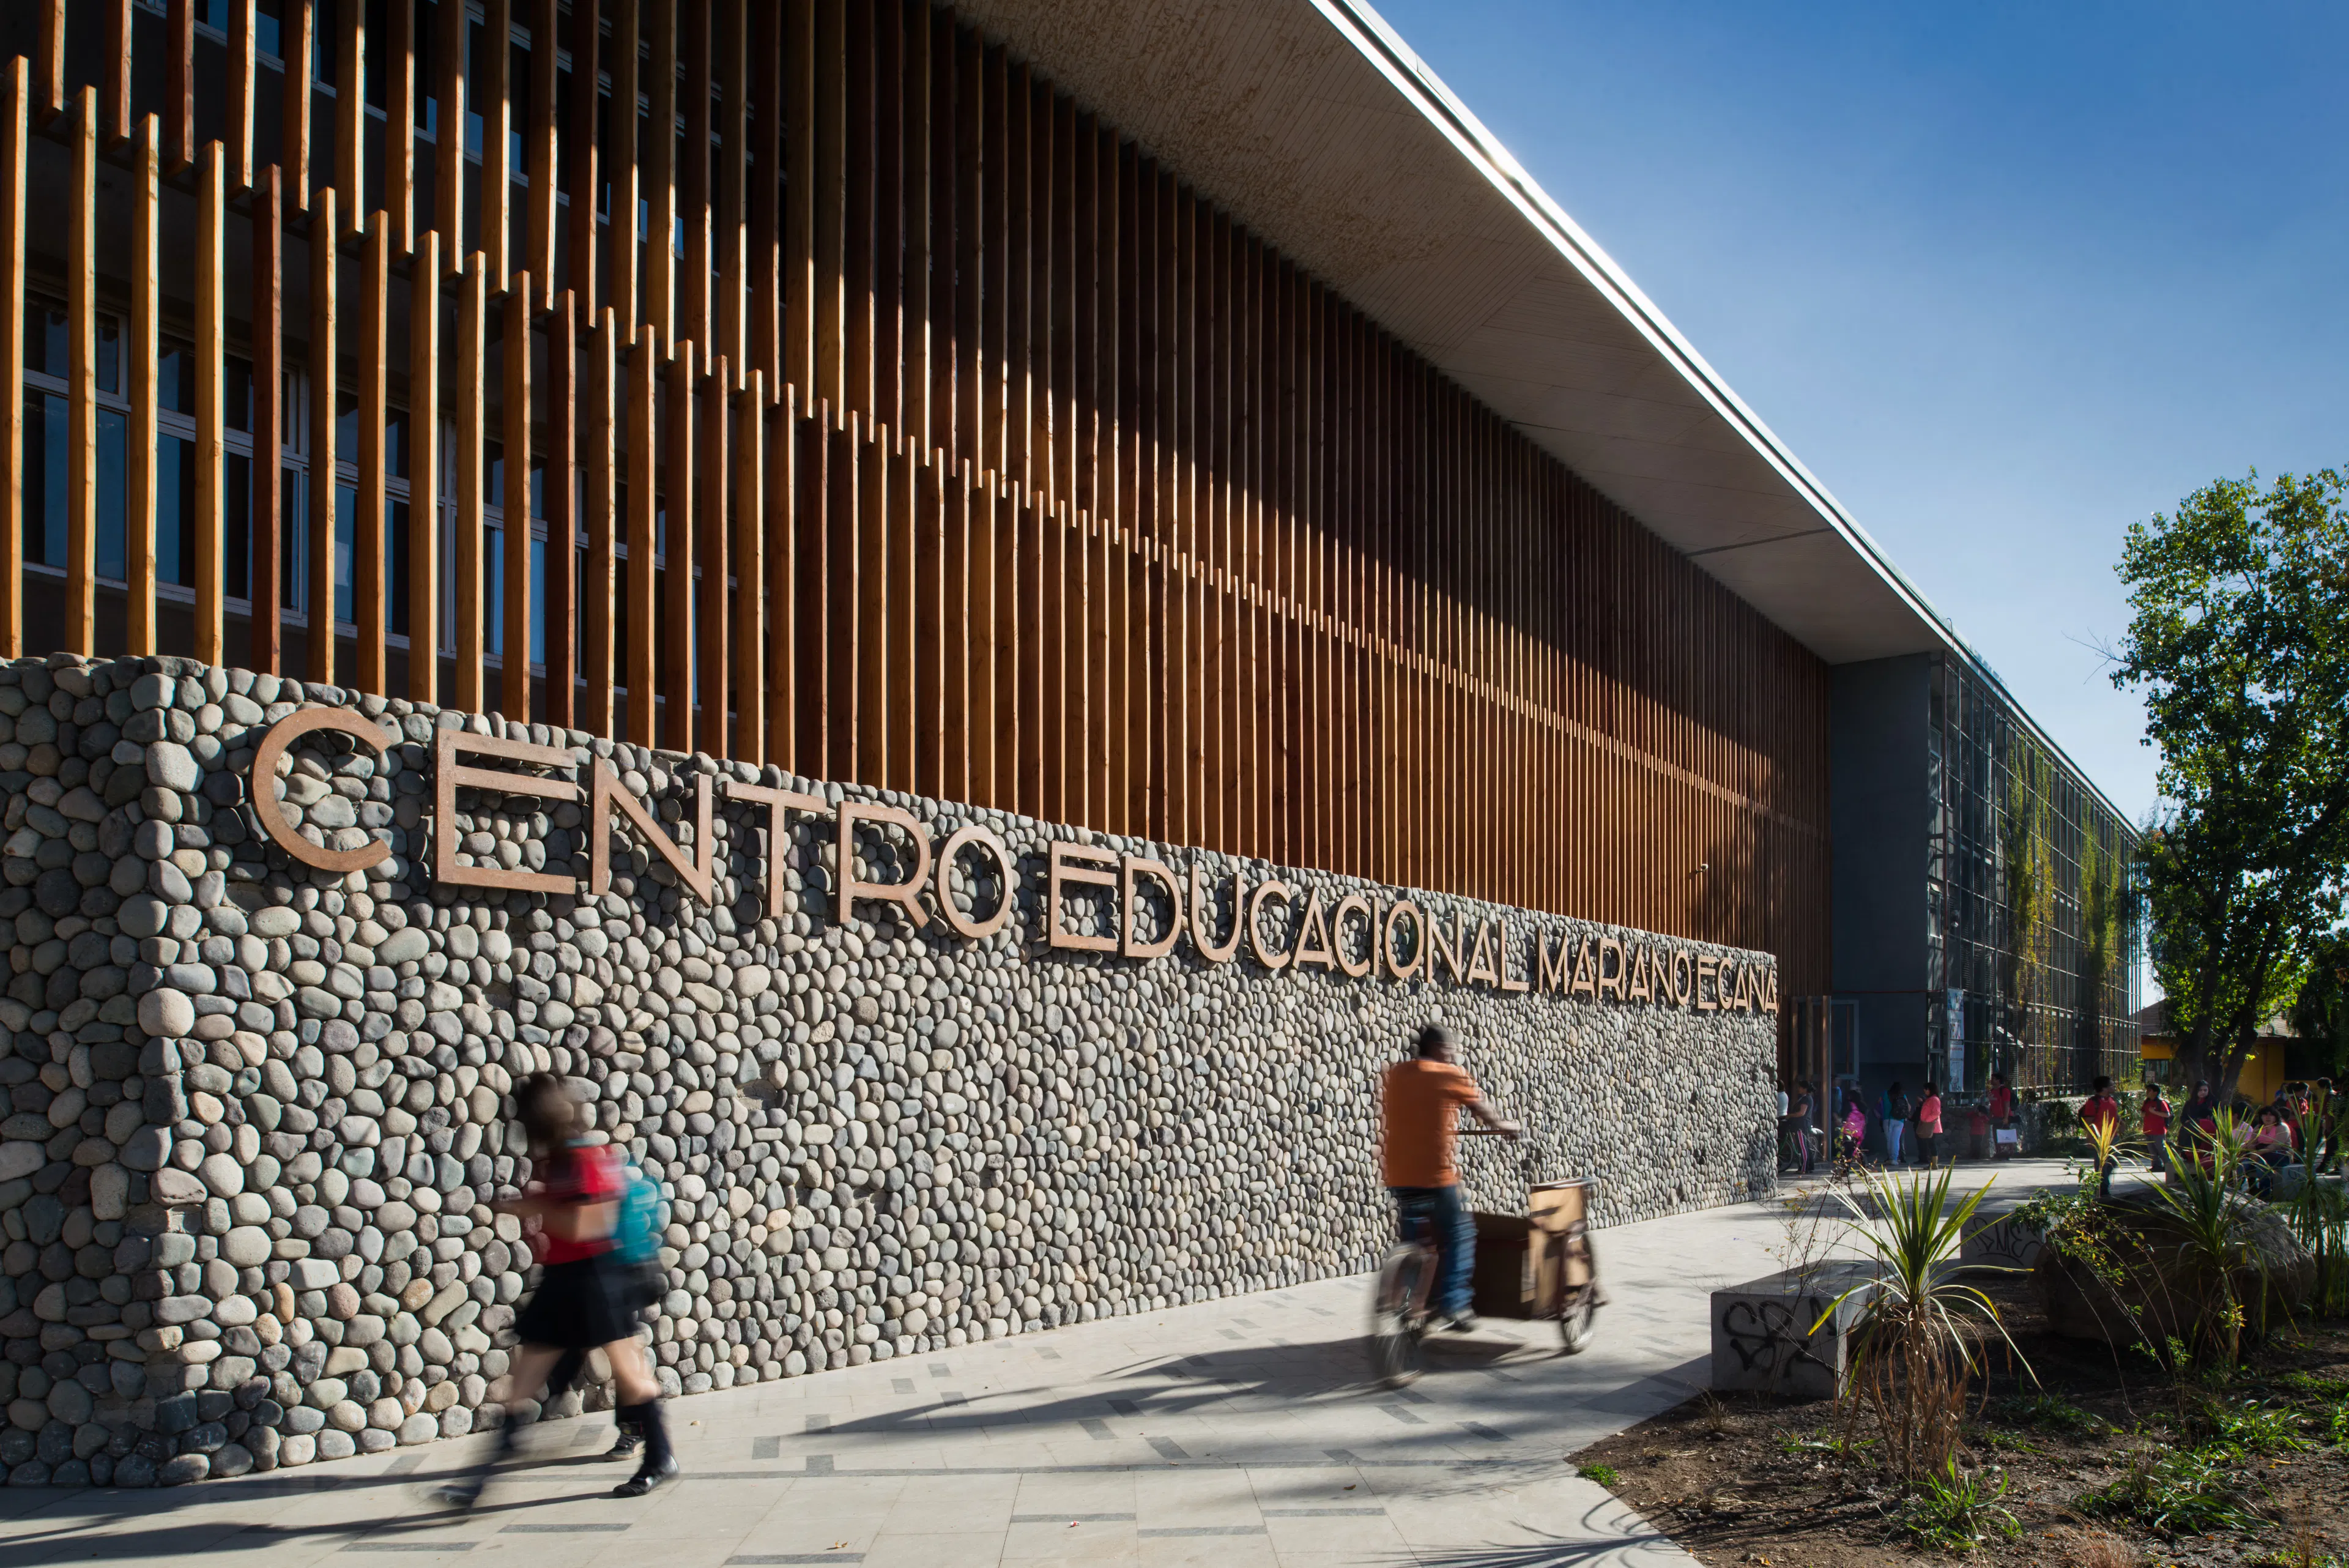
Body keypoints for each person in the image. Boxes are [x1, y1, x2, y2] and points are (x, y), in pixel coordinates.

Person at [439, 1074, 678, 1506]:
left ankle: (659, 1458)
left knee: (631, 1375)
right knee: (521, 1386)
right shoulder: (560, 1160)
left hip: (598, 1279)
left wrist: (531, 1207)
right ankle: (478, 1483)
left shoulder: (582, 1158)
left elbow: (590, 1225)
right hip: (566, 1280)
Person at [1381, 1024, 1521, 1333]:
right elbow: (1482, 1110)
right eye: (1451, 1050)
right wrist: (1504, 1125)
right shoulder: (1447, 1074)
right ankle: (1454, 1302)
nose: (1453, 1055)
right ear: (1441, 1049)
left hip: (1399, 1175)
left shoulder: (1396, 1075)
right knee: (1460, 1230)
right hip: (1435, 1177)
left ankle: (1402, 1297)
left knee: (1414, 1238)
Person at [2080, 1076, 2122, 1198]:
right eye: (2111, 1085)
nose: (2114, 1087)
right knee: (2101, 1164)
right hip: (2100, 1138)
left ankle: (2102, 1186)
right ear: (2104, 1088)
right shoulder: (2093, 1102)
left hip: (2114, 1137)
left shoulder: (2112, 1100)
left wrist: (2121, 1124)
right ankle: (2102, 1189)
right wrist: (2090, 1138)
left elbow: (2115, 1115)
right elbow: (2088, 1121)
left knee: (2114, 1162)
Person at [2142, 1085, 2172, 1175]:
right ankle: (2156, 1166)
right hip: (2148, 1130)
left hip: (2159, 1130)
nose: (2147, 1092)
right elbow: (2143, 1112)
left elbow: (2167, 1115)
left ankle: (2169, 1165)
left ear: (2155, 1092)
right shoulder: (2146, 1102)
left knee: (2161, 1148)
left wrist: (2154, 1112)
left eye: (2149, 1090)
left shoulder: (2161, 1102)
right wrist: (2143, 1113)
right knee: (2152, 1149)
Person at [1787, 1080, 1816, 1175]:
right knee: (1805, 1146)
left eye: (1800, 1087)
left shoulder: (1806, 1099)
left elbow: (1801, 1113)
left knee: (1803, 1146)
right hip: (1803, 1125)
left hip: (1801, 1126)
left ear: (1805, 1089)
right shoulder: (1806, 1098)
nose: (1798, 1089)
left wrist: (1790, 1116)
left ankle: (1804, 1167)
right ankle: (1807, 1166)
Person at [1987, 1073, 2016, 1162]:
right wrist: (1990, 1116)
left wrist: (2006, 1118)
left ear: (1998, 1080)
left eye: (1994, 1079)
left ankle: (2009, 1152)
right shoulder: (1992, 1091)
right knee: (1996, 1136)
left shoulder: (2004, 1091)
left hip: (2004, 1117)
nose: (1992, 1081)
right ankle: (1999, 1152)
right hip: (1996, 1117)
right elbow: (1992, 1105)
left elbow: (2007, 1104)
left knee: (2006, 1136)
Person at [1882, 1081, 1911, 1167]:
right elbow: (1909, 1107)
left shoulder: (1886, 1094)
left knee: (1889, 1140)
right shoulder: (1903, 1096)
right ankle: (1895, 1159)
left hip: (1888, 1119)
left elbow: (1879, 1104)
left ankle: (1891, 1158)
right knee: (1896, 1140)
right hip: (1900, 1120)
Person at [1916, 1083, 1943, 1168]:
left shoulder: (1934, 1099)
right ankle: (1932, 1163)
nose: (1925, 1091)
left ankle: (1934, 1164)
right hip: (1929, 1125)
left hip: (1932, 1126)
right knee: (1930, 1144)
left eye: (1926, 1089)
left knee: (1932, 1144)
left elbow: (1936, 1113)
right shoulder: (1930, 1099)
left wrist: (1927, 1120)